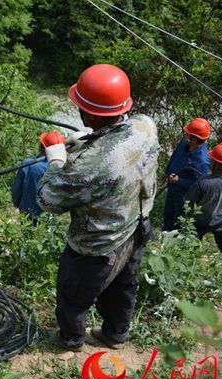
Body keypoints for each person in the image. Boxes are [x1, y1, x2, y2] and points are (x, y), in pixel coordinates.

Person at [37, 64, 159, 351]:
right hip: (135, 226)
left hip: (97, 244)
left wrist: (56, 160)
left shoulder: (90, 167)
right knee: (122, 286)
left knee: (74, 293)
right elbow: (117, 139)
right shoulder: (146, 125)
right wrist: (87, 140)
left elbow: (48, 199)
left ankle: (70, 339)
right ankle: (115, 334)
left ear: (90, 113)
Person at [162, 118, 211, 231]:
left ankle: (175, 245)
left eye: (188, 135)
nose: (186, 136)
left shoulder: (202, 161)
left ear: (195, 139)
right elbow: (174, 156)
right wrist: (167, 171)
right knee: (167, 217)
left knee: (178, 223)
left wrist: (180, 181)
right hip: (172, 189)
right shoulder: (185, 143)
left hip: (184, 197)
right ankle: (163, 240)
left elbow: (200, 186)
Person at [11, 131, 65, 225]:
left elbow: (17, 188)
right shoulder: (64, 167)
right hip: (49, 214)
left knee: (27, 236)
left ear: (41, 146)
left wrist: (16, 203)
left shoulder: (28, 164)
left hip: (27, 212)